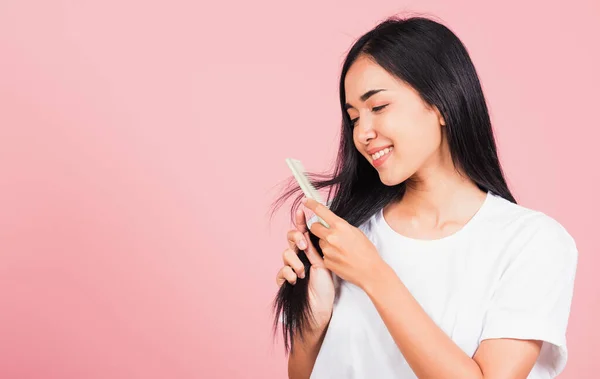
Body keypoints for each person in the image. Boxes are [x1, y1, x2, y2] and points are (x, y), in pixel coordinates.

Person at [271, 15, 578, 379]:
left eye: (378, 107)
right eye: (353, 117)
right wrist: (314, 319)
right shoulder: (350, 236)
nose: (363, 132)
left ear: (441, 103)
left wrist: (374, 274)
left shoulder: (532, 242)